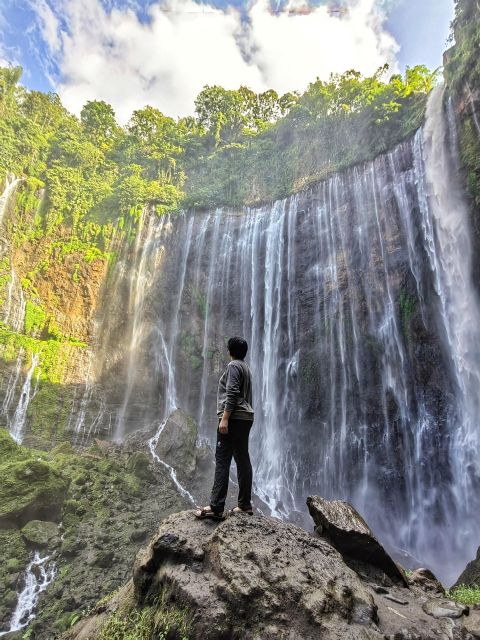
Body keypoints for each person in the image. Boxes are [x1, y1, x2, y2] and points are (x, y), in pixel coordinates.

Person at [195, 336, 254, 520]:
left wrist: (225, 419)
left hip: (234, 418)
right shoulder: (246, 367)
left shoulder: (233, 366)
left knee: (222, 459)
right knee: (243, 459)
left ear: (230, 351)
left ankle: (216, 506)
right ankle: (245, 504)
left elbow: (232, 392)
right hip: (245, 418)